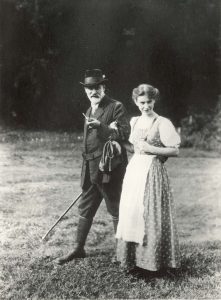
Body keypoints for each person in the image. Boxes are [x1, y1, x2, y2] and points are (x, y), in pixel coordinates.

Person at [56, 69, 130, 265]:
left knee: (115, 208)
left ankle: (121, 253)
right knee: (85, 208)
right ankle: (78, 248)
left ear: (104, 87)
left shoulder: (116, 107)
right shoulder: (89, 110)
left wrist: (102, 127)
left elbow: (123, 134)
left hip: (109, 169)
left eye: (97, 87)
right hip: (90, 169)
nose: (92, 91)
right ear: (85, 91)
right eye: (89, 88)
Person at [116, 84, 181, 273]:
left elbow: (175, 150)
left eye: (149, 102)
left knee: (150, 214)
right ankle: (132, 260)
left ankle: (152, 262)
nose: (146, 106)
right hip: (135, 170)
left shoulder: (163, 122)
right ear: (136, 102)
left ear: (154, 101)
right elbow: (135, 149)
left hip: (152, 172)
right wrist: (116, 140)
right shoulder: (134, 121)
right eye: (142, 102)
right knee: (132, 213)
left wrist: (151, 148)